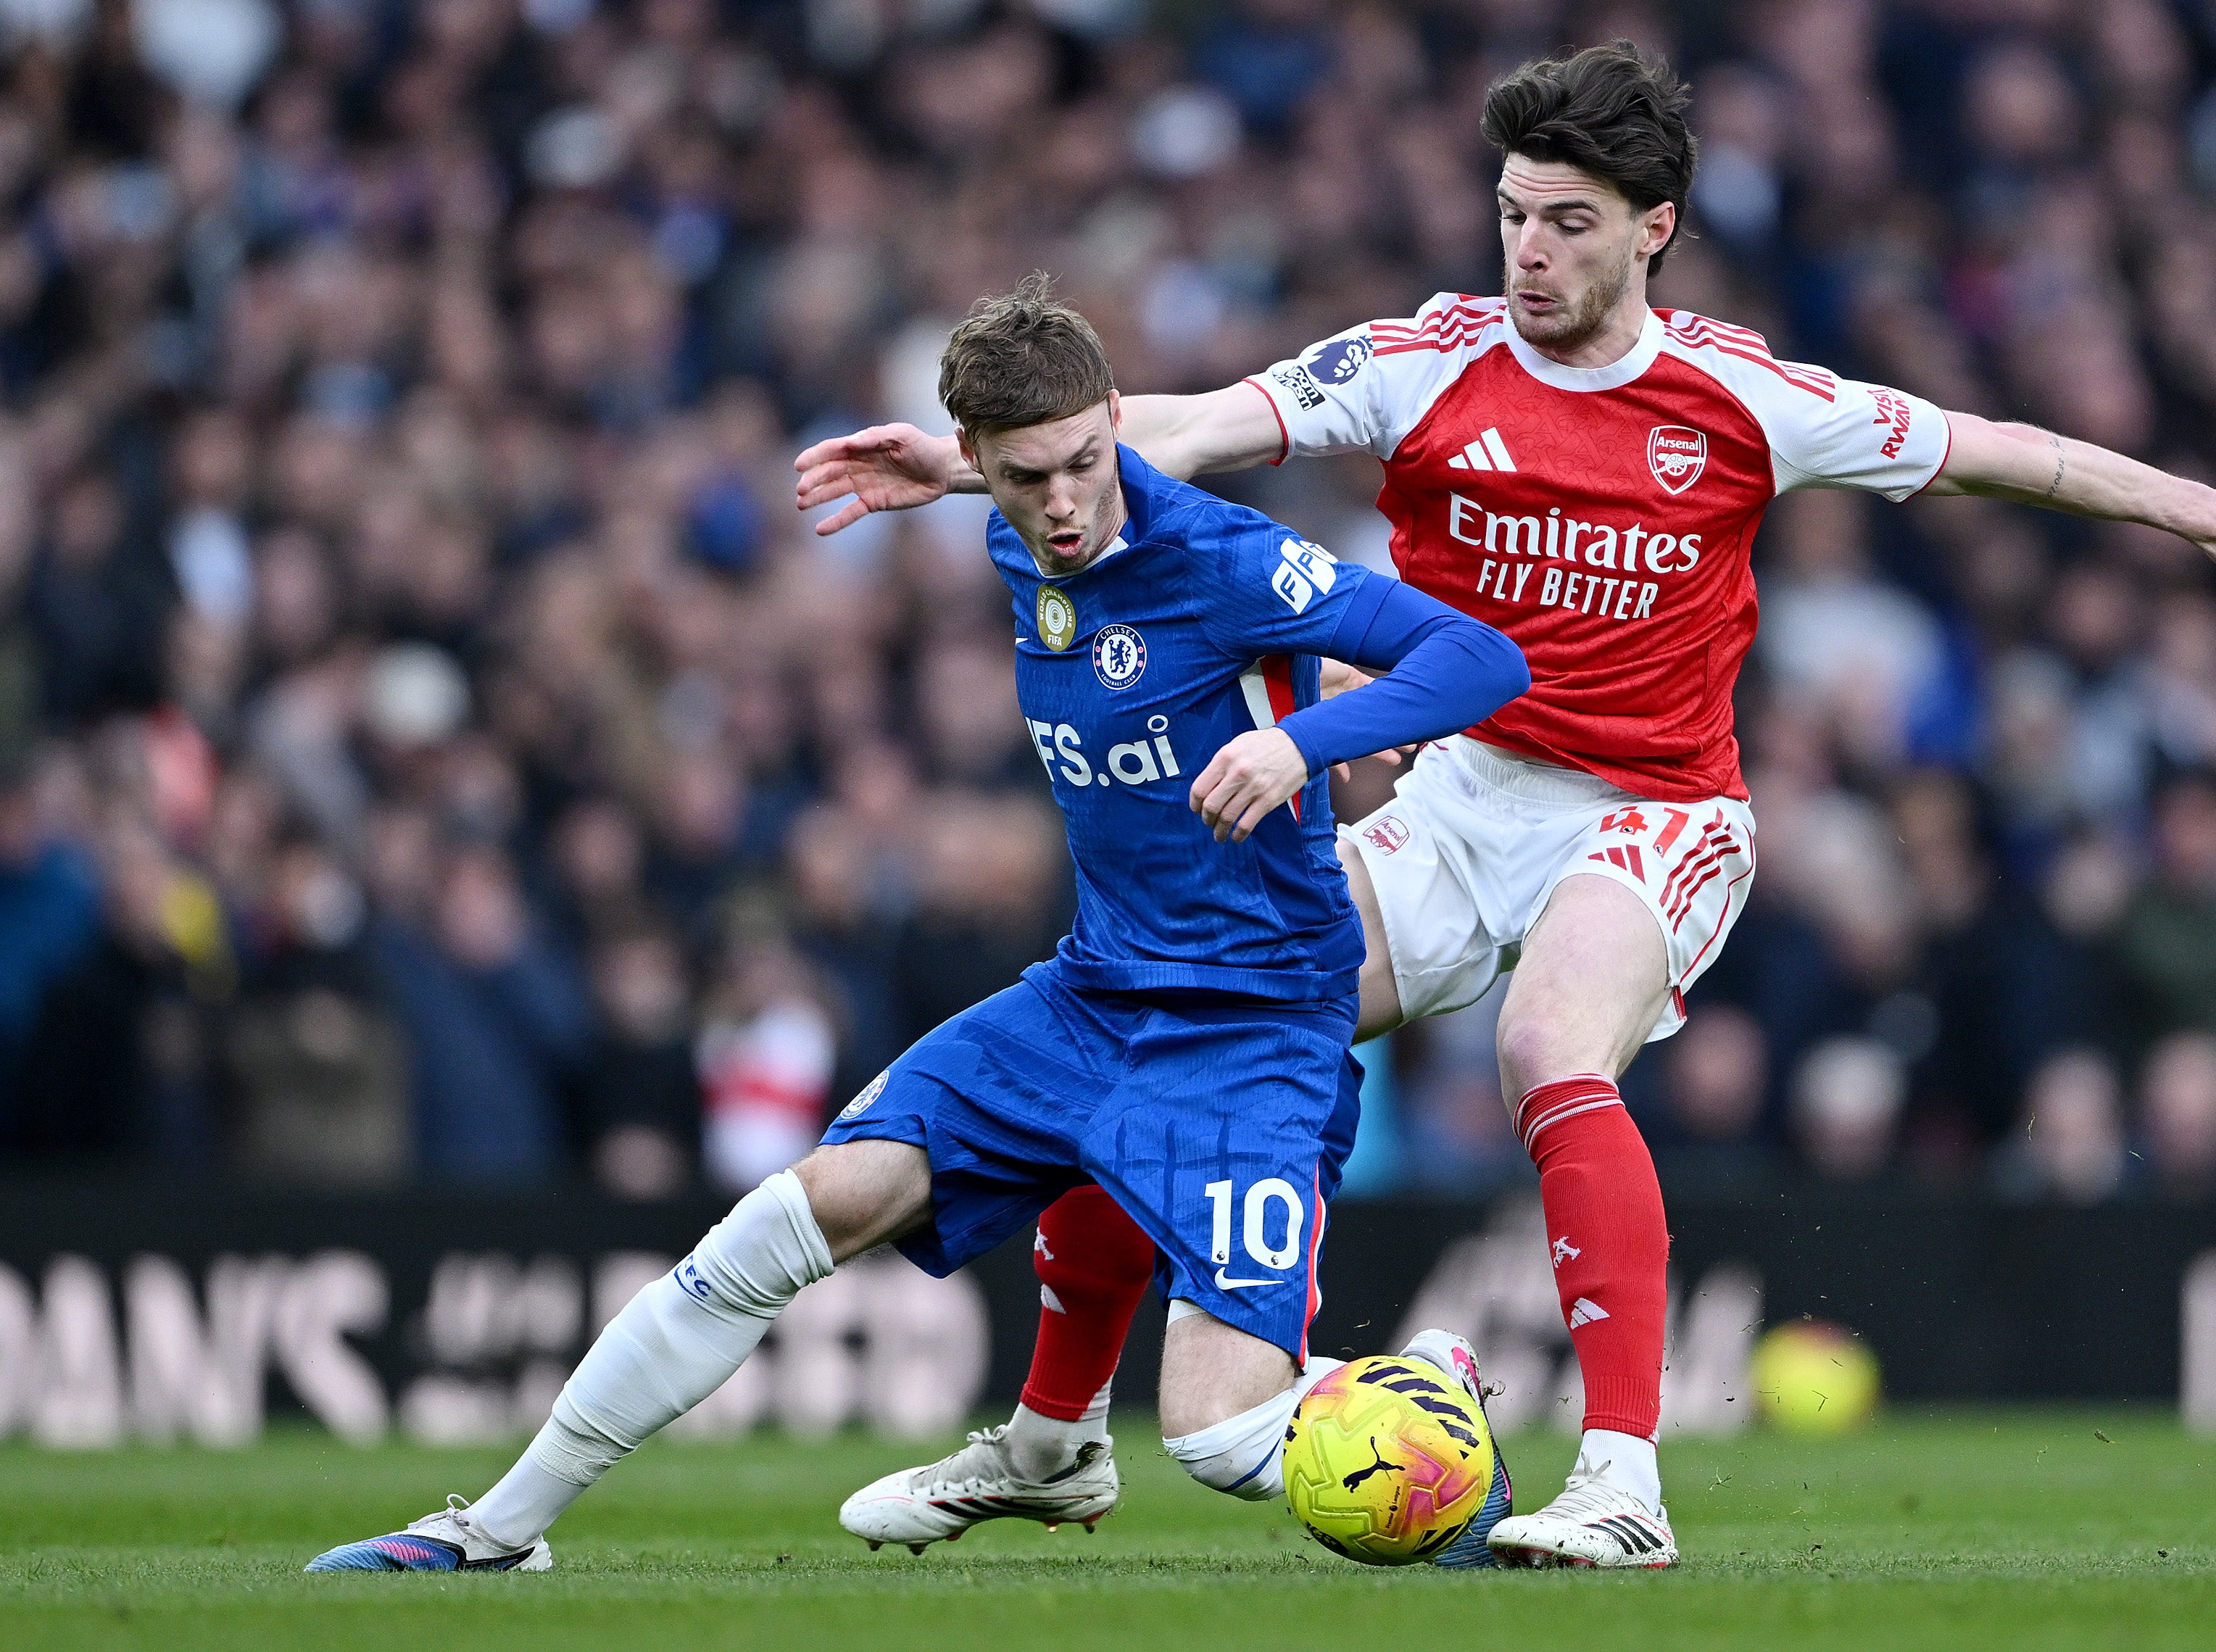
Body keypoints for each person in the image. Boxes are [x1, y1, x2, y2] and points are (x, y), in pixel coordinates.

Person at [794, 43, 2216, 1569]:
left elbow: (1984, 453)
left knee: (1546, 1041)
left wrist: (2198, 509)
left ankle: (1620, 1479)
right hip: (1465, 796)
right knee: (1181, 1019)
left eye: (1569, 221)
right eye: (1514, 213)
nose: (1530, 251)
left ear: (1653, 225)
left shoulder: (1736, 395)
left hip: (1656, 807)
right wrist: (959, 467)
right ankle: (1052, 1442)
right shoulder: (1422, 358)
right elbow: (1184, 423)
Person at [306, 280, 1529, 1572]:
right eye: (1020, 478)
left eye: (1080, 465)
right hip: (1093, 993)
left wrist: (1299, 741)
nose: (1060, 506)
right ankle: (496, 1532)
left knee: (1222, 1446)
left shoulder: (1227, 562)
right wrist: (945, 473)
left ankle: (1433, 1392)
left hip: (1253, 1023)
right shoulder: (1013, 531)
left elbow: (1478, 661)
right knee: (794, 1212)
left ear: (1119, 424)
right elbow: (1023, 471)